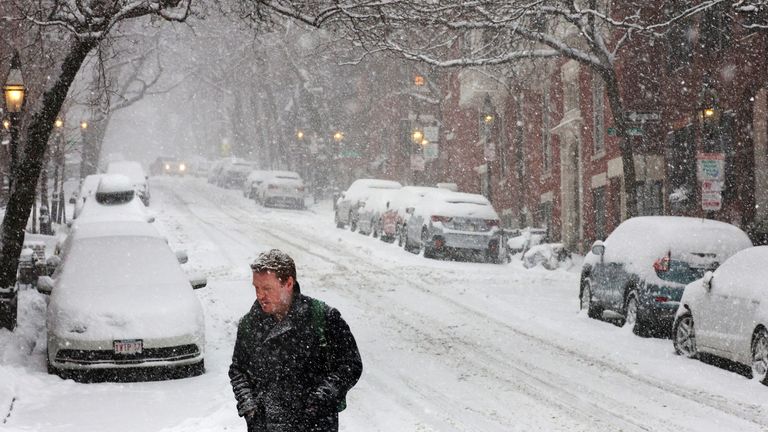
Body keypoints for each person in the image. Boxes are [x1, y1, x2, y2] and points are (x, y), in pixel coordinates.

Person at [229, 249, 363, 432]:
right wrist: (249, 407)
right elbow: (238, 370)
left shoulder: (323, 318)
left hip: (315, 425)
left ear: (288, 283)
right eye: (256, 288)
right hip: (265, 426)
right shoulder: (249, 324)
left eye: (267, 288)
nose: (260, 296)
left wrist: (321, 399)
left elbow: (350, 365)